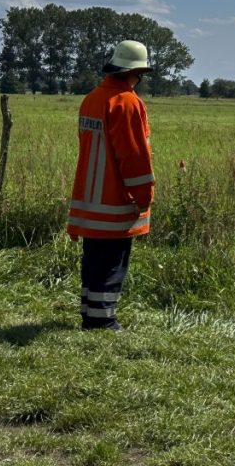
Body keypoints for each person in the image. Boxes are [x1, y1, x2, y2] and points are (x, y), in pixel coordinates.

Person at [68, 40, 155, 331]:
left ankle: (89, 313)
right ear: (138, 72)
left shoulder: (92, 98)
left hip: (88, 201)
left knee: (93, 260)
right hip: (116, 201)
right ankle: (102, 321)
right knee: (112, 263)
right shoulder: (127, 103)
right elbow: (133, 156)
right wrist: (145, 196)